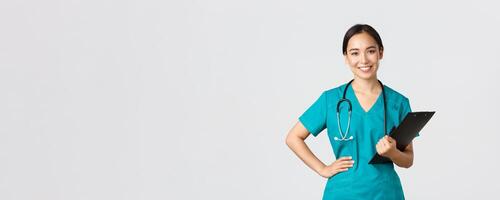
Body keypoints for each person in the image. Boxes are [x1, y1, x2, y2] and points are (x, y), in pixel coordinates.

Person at [285, 24, 415, 200]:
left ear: (381, 53)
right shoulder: (330, 100)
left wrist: (392, 152)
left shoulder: (398, 103)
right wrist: (322, 168)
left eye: (370, 51)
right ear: (346, 58)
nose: (363, 60)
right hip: (342, 193)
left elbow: (408, 160)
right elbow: (293, 138)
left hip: (386, 193)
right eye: (354, 53)